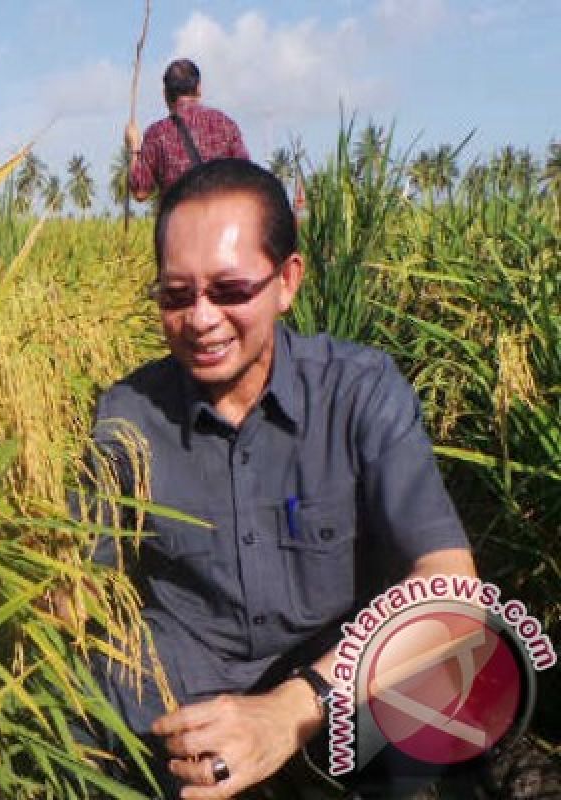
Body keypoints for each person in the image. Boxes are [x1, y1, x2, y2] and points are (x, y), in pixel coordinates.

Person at [76, 158, 476, 798]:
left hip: (334, 698)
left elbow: (450, 583)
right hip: (184, 719)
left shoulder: (358, 392)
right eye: (176, 296)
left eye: (229, 290)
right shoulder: (127, 414)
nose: (201, 319)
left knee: (467, 661)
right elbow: (81, 595)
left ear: (287, 281)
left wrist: (291, 708)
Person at [125, 59, 249, 202]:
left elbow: (140, 191)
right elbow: (246, 177)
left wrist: (134, 146)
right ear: (198, 89)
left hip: (179, 222)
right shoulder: (226, 124)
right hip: (223, 220)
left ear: (165, 94)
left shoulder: (157, 134)